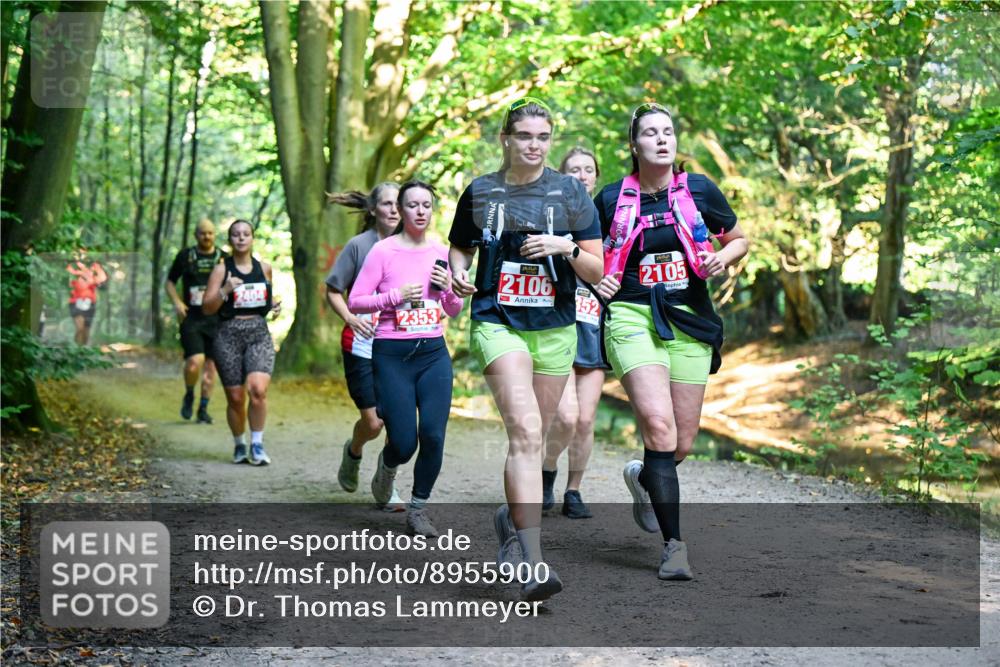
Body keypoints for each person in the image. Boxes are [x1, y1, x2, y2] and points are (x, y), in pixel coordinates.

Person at [448, 98, 604, 601]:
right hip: (497, 321)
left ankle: (511, 523)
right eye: (524, 137)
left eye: (542, 137)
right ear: (506, 139)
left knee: (537, 440)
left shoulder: (570, 193)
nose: (533, 146)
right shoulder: (480, 191)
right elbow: (460, 247)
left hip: (555, 326)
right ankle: (535, 564)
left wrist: (567, 248)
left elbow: (598, 270)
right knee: (526, 431)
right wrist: (456, 273)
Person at [594, 103, 748, 580]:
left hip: (689, 319)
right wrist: (593, 280)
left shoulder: (699, 188)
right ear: (634, 144)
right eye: (651, 133)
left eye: (668, 132)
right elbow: (587, 257)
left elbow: (739, 238)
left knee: (679, 445)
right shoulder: (609, 198)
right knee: (658, 429)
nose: (662, 139)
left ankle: (645, 478)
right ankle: (674, 547)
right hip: (632, 316)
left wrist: (727, 258)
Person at [348, 181, 465, 537]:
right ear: (400, 210)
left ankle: (418, 508)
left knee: (433, 434)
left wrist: (448, 287)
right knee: (403, 441)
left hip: (432, 354)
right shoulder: (383, 252)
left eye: (426, 205)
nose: (420, 211)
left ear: (432, 210)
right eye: (412, 205)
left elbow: (454, 309)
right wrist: (393, 297)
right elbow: (356, 301)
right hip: (391, 355)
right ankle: (387, 465)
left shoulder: (441, 253)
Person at [326, 183, 406, 512]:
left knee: (398, 421)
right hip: (361, 342)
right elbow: (333, 289)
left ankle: (387, 481)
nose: (393, 209)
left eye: (397, 203)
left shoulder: (413, 246)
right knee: (373, 423)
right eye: (386, 204)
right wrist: (350, 317)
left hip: (400, 343)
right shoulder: (359, 246)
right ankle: (354, 450)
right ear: (373, 210)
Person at [541, 147, 608, 519]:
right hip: (560, 324)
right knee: (566, 416)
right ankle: (548, 467)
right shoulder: (553, 217)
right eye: (574, 170)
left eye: (588, 170)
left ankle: (574, 491)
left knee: (586, 419)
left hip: (594, 326)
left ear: (596, 176)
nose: (582, 176)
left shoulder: (609, 217)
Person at [202, 220, 282, 466]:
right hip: (228, 334)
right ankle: (239, 444)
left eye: (246, 234)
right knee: (236, 398)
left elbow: (266, 303)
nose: (241, 238)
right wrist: (225, 289)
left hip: (258, 332)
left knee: (257, 390)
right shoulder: (221, 270)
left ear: (252, 238)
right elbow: (207, 308)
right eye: (236, 235)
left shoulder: (264, 268)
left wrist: (275, 307)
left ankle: (257, 444)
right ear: (230, 240)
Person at [165, 218, 227, 424]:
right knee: (195, 362)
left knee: (211, 367)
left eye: (210, 233)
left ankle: (203, 409)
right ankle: (189, 393)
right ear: (196, 235)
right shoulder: (186, 256)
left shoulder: (224, 258)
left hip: (217, 321)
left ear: (214, 235)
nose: (206, 237)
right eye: (203, 233)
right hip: (192, 318)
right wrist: (177, 302)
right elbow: (170, 282)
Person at [66, 255, 107, 345]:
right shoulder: (75, 273)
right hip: (75, 303)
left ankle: (82, 351)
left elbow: (103, 281)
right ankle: (75, 348)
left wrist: (98, 267)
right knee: (80, 328)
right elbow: (68, 273)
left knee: (86, 329)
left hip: (90, 304)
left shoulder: (94, 277)